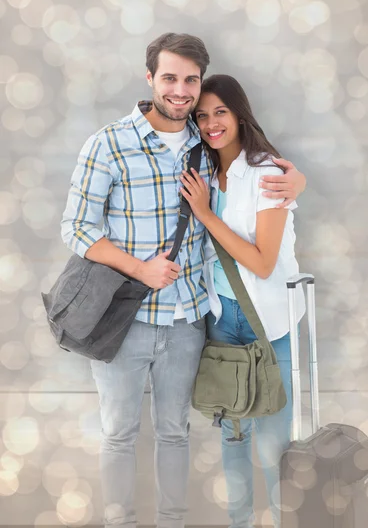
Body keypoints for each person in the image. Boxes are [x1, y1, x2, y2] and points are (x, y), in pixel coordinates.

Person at [60, 33, 306, 528]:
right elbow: (76, 228)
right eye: (169, 77)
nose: (180, 90)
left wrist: (297, 182)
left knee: (176, 433)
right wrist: (139, 267)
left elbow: (255, 172)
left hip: (193, 321)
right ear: (149, 78)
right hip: (125, 319)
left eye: (190, 80)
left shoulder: (204, 142)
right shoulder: (109, 143)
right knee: (118, 433)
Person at [179, 74, 306, 528]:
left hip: (265, 322)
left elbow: (262, 262)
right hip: (220, 320)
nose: (212, 123)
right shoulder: (202, 172)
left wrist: (206, 214)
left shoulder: (268, 174)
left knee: (274, 444)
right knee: (233, 438)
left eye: (221, 112)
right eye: (203, 115)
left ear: (239, 114)